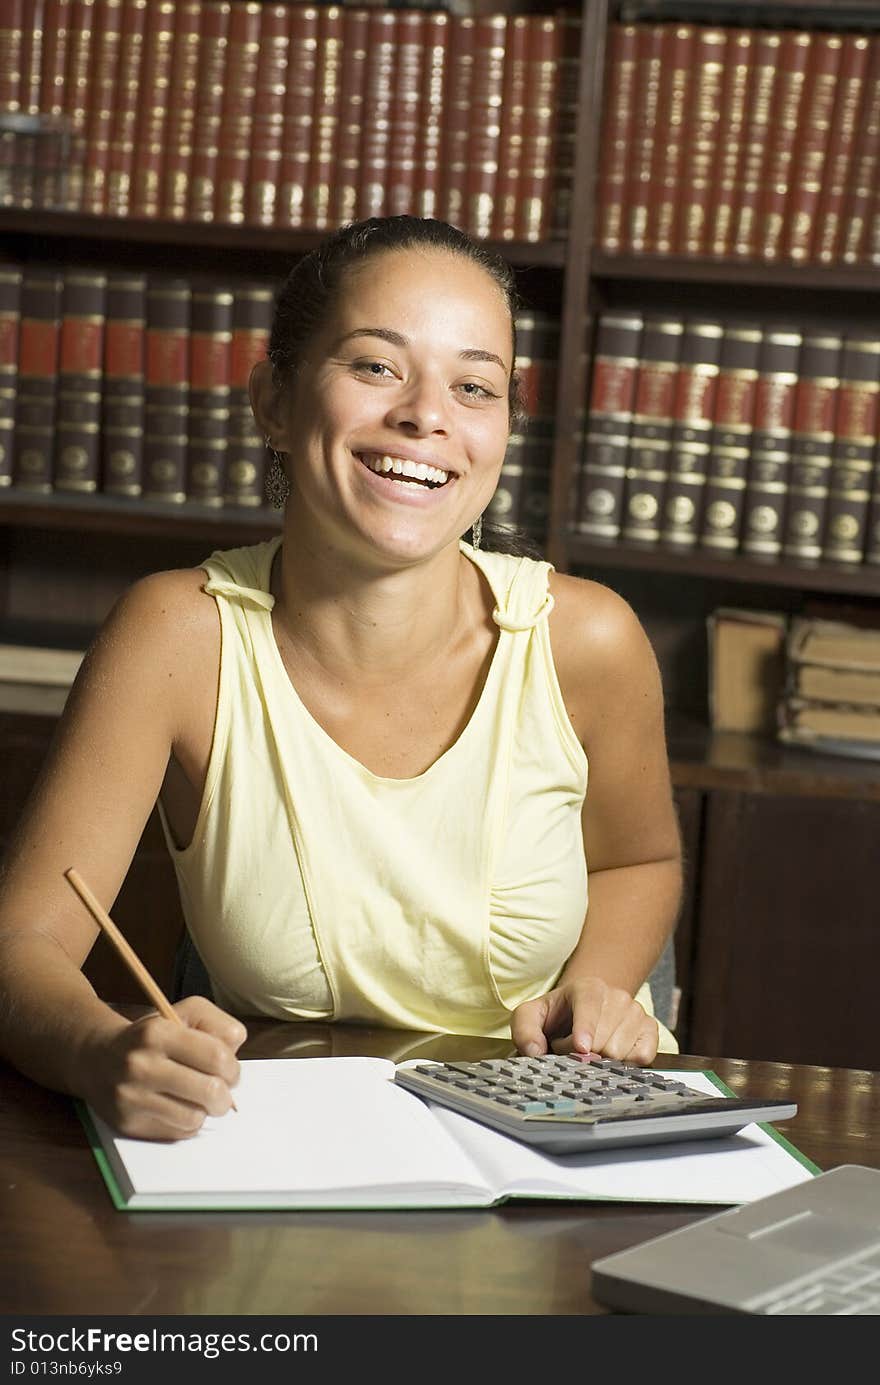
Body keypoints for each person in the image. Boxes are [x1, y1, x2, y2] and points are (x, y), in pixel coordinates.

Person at [0, 216, 682, 1141]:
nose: (426, 415)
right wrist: (99, 1049)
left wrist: (597, 986)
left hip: (550, 1130)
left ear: (504, 430)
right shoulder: (176, 634)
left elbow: (638, 859)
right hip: (279, 1142)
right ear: (274, 400)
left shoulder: (587, 638)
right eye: (375, 366)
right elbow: (23, 944)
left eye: (474, 385)